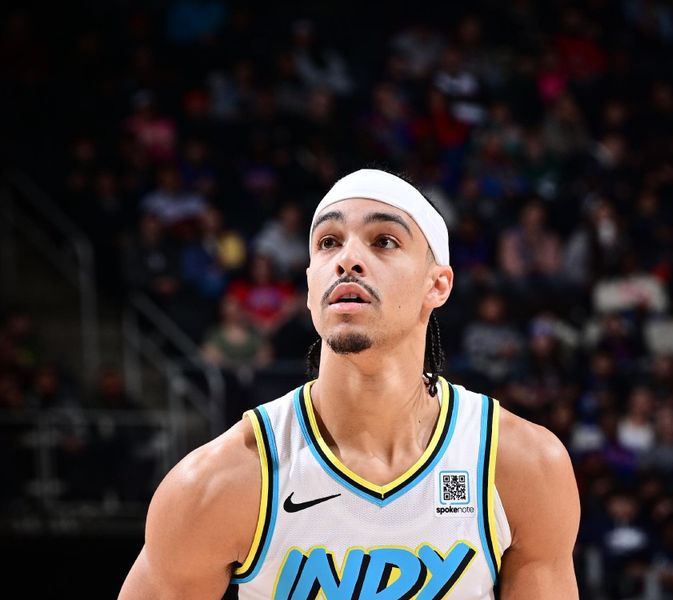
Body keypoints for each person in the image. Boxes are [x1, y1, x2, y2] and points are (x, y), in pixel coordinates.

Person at [119, 169, 580, 599]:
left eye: (383, 241)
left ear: (437, 286)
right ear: (308, 285)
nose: (348, 259)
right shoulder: (222, 482)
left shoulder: (520, 466)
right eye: (328, 242)